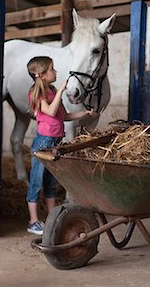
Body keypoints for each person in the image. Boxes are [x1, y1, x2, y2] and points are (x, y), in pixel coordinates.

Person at [26, 56, 94, 235]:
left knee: (51, 181)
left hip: (55, 142)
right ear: (41, 75)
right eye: (51, 69)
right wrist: (61, 91)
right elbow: (50, 111)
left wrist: (83, 113)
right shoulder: (36, 93)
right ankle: (33, 221)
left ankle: (51, 217)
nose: (55, 72)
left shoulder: (52, 90)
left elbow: (63, 115)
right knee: (36, 180)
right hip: (43, 143)